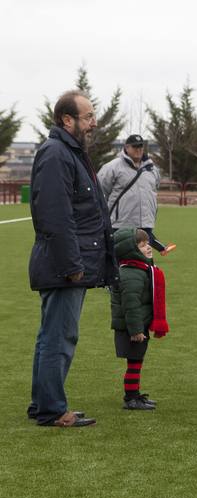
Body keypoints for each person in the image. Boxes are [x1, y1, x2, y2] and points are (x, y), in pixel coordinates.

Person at [28, 90, 115, 428]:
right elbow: (55, 216)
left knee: (52, 335)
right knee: (59, 337)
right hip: (64, 265)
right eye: (88, 116)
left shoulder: (69, 152)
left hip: (66, 261)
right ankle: (51, 409)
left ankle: (43, 404)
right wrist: (72, 265)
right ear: (68, 119)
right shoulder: (57, 154)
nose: (94, 122)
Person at [111, 228, 169, 410]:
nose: (148, 247)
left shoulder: (140, 269)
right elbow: (130, 305)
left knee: (137, 360)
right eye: (142, 245)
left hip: (138, 323)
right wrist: (135, 330)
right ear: (131, 250)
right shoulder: (131, 273)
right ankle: (131, 398)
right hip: (132, 327)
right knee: (134, 362)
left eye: (147, 243)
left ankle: (134, 395)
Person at [97, 133, 174, 254]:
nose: (138, 150)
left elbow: (154, 189)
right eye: (135, 147)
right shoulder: (112, 167)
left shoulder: (152, 169)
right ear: (127, 148)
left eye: (140, 147)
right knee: (119, 258)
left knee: (144, 259)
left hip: (145, 221)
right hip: (120, 222)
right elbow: (99, 191)